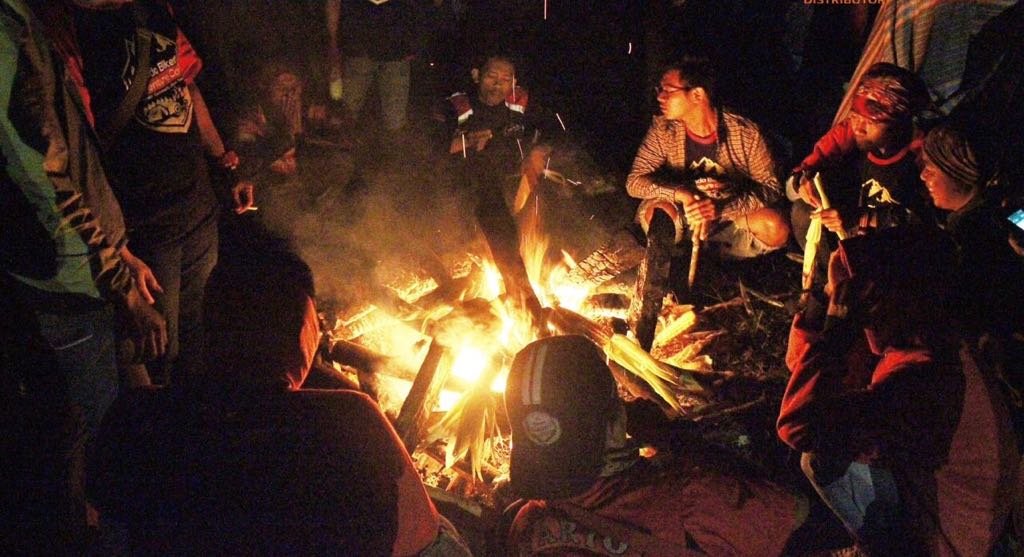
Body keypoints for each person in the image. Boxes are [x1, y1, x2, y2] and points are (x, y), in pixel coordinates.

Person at [87, 237, 471, 555]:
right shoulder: (351, 420)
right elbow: (414, 539)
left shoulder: (136, 416)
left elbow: (103, 518)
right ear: (305, 331)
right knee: (441, 538)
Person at [0, 0, 166, 551]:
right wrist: (121, 284)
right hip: (71, 282)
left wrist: (121, 252)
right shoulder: (4, 39)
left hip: (92, 267)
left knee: (126, 424)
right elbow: (49, 187)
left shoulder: (24, 20)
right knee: (102, 447)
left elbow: (74, 161)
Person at [38, 0, 255, 385]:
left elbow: (185, 84)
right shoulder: (66, 31)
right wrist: (118, 254)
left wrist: (223, 160)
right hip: (146, 227)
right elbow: (78, 153)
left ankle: (195, 410)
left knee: (195, 336)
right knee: (158, 350)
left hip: (197, 207)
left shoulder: (153, 6)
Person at [777, 226, 1020, 555]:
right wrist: (818, 308)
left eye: (844, 292)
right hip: (960, 511)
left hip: (957, 541)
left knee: (821, 458)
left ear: (878, 298)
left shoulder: (925, 377)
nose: (838, 298)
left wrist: (836, 334)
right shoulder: (921, 332)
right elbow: (807, 372)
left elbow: (800, 425)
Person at [506, 335, 807, 556]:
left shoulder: (526, 526)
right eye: (618, 403)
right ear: (613, 430)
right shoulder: (691, 502)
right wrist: (676, 438)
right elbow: (797, 511)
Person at [627, 56, 789, 260]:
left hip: (728, 217)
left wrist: (721, 209)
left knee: (776, 227)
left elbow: (771, 187)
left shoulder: (745, 134)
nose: (660, 97)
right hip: (683, 216)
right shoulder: (664, 130)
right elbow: (634, 182)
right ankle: (667, 259)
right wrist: (682, 194)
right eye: (660, 90)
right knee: (659, 213)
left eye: (668, 91)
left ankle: (717, 259)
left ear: (697, 94)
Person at [788, 62, 935, 244]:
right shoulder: (852, 131)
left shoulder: (923, 155)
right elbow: (808, 168)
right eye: (855, 116)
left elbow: (926, 220)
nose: (858, 128)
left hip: (900, 243)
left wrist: (862, 218)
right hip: (857, 227)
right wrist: (803, 180)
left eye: (870, 122)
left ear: (898, 123)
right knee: (803, 210)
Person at [235, 60, 354, 228]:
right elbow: (250, 163)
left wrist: (315, 126)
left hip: (307, 183)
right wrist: (288, 132)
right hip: (273, 188)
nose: (289, 95)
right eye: (282, 89)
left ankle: (321, 221)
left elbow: (343, 141)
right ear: (267, 89)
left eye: (294, 88)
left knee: (342, 164)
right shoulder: (254, 116)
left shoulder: (309, 109)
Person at [325, 0, 423, 142]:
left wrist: (413, 39)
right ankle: (345, 147)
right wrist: (334, 42)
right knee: (348, 110)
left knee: (394, 117)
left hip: (392, 47)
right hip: (363, 46)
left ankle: (394, 150)